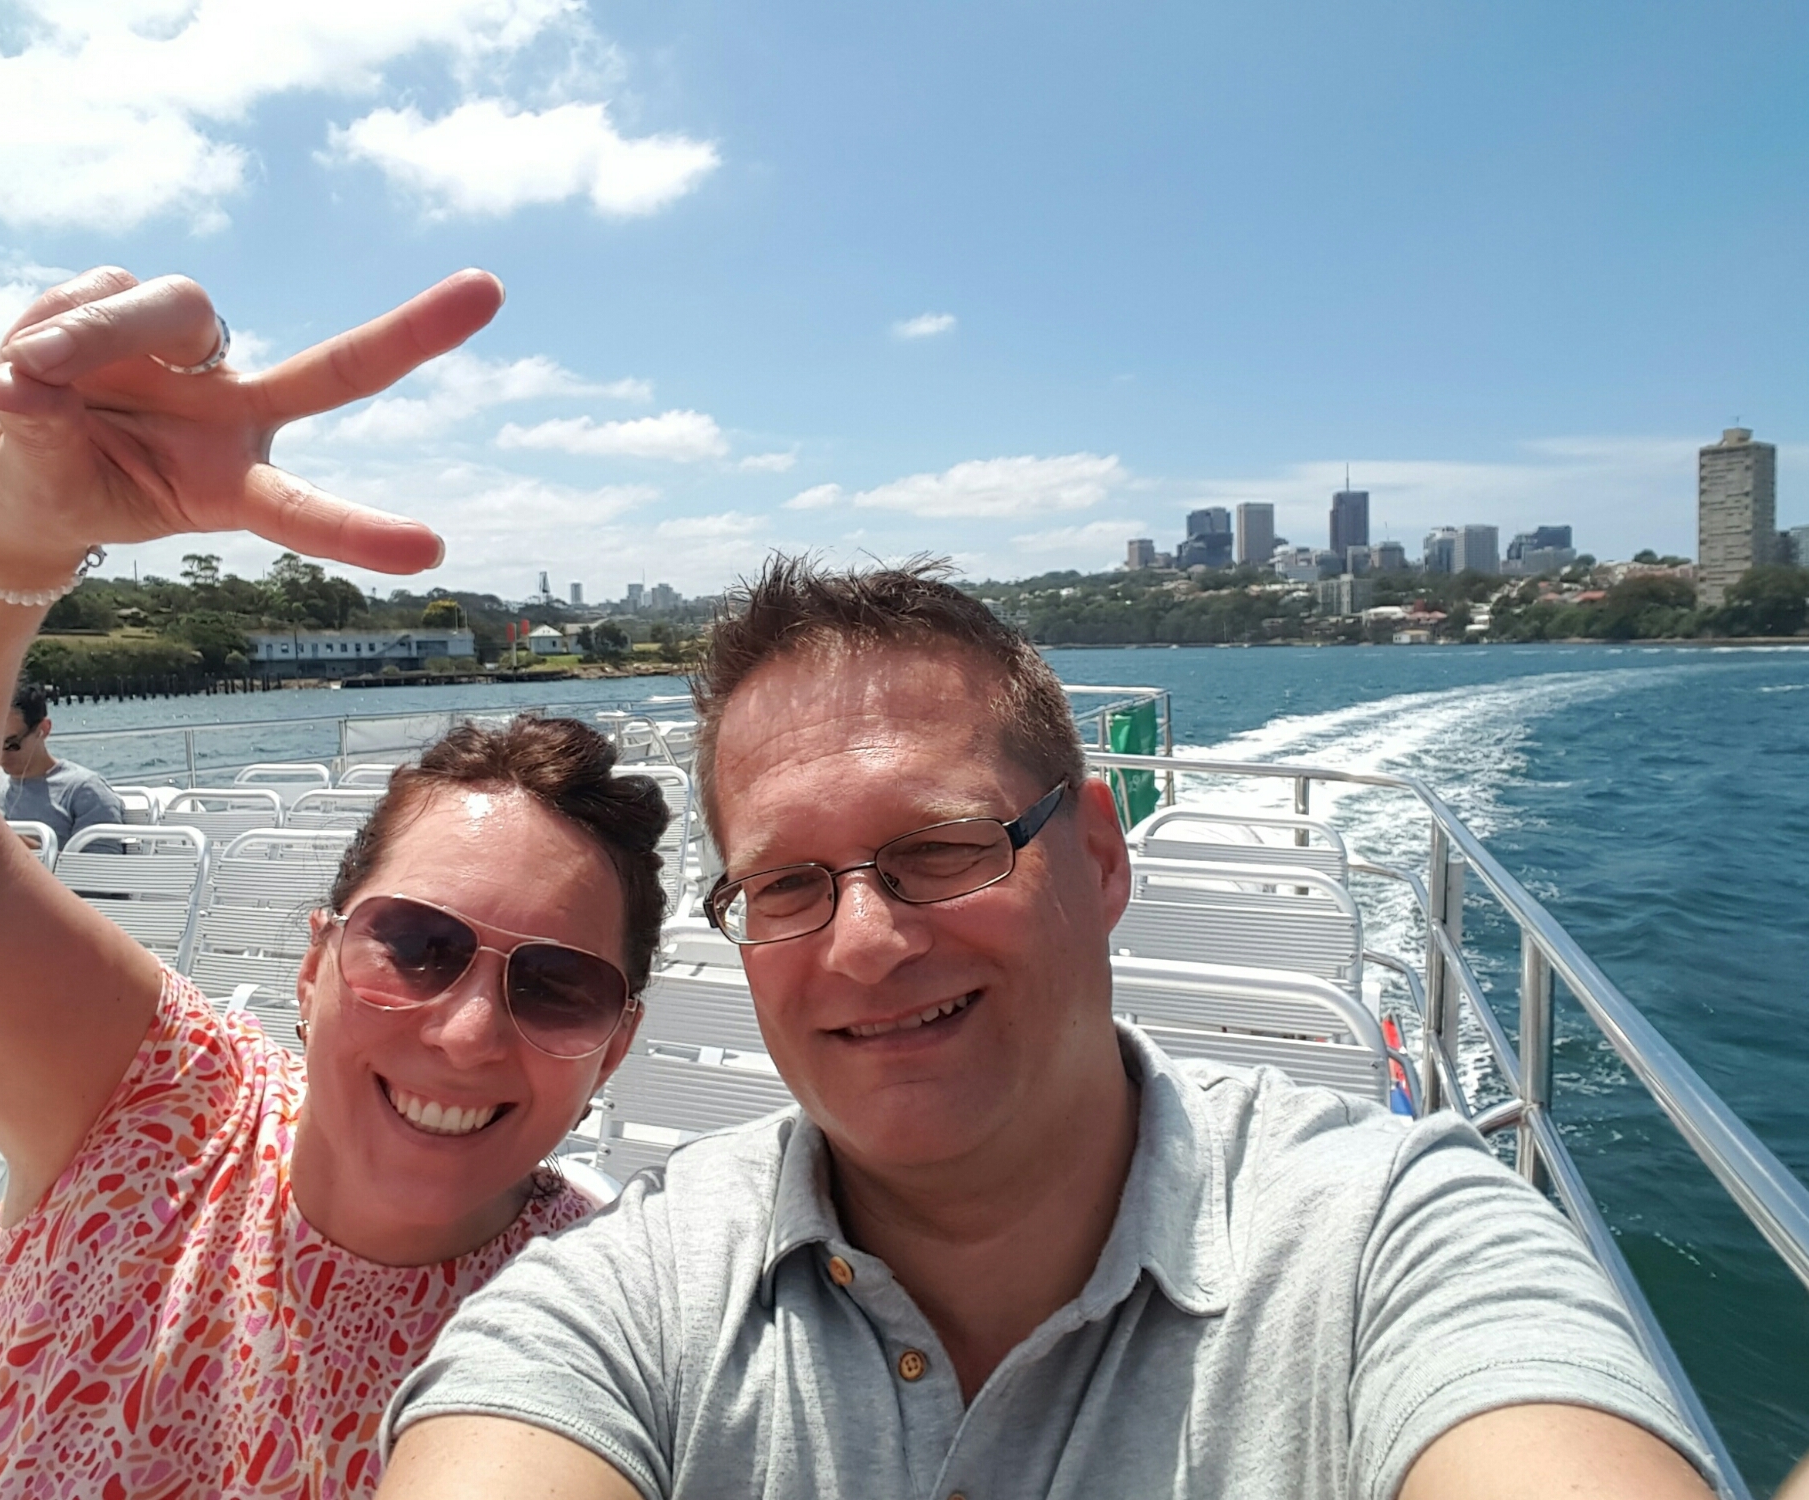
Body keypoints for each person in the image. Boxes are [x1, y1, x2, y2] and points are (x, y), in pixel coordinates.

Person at [380, 560, 1720, 1500]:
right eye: (785, 884)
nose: (865, 942)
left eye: (941, 849)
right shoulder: (624, 1304)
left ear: (1099, 856)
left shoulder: (1385, 1241)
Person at [0, 266, 667, 1497]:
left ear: (615, 1044)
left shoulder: (620, 1325)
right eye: (416, 944)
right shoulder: (150, 1108)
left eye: (558, 985)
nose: (468, 1031)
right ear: (314, 963)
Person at [0, 676, 125, 846]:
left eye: (12, 744)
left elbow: (101, 861)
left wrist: (6, 841)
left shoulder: (84, 790)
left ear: (44, 729)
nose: (1, 756)